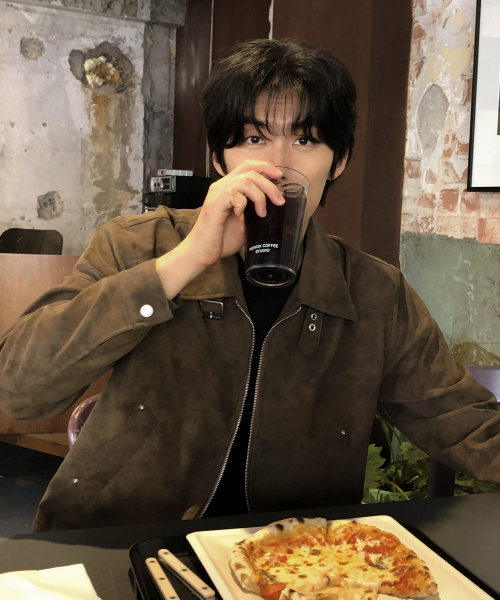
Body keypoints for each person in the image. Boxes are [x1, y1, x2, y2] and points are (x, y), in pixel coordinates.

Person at [1, 39, 499, 533]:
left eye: (305, 140)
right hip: (120, 539)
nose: (277, 167)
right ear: (220, 160)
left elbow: (465, 423)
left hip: (291, 556)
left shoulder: (374, 292)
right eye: (254, 139)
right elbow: (18, 391)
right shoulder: (137, 244)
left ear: (339, 161)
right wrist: (186, 260)